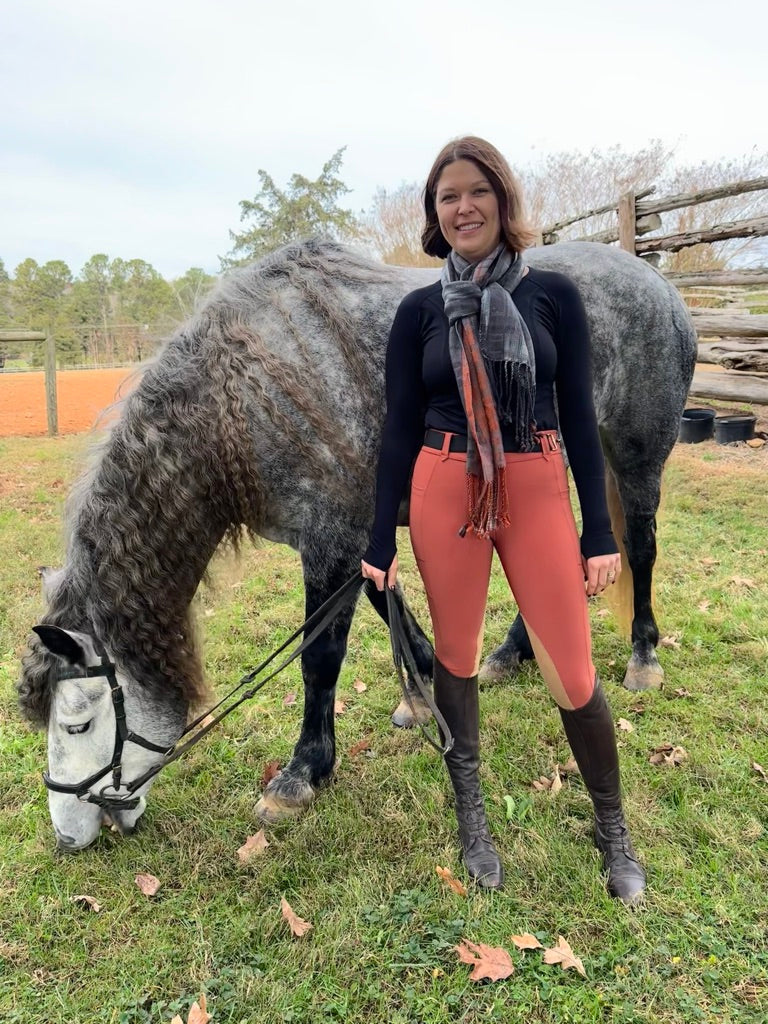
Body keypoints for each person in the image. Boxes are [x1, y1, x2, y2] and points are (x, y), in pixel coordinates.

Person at [361, 136, 646, 905]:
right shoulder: (419, 311)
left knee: (573, 671)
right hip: (444, 484)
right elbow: (397, 428)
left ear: (502, 199)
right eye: (447, 196)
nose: (464, 207)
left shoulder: (552, 295)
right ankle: (473, 821)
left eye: (476, 191)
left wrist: (598, 532)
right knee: (456, 658)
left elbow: (579, 417)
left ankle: (612, 828)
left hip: (535, 481)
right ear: (435, 214)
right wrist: (380, 534)